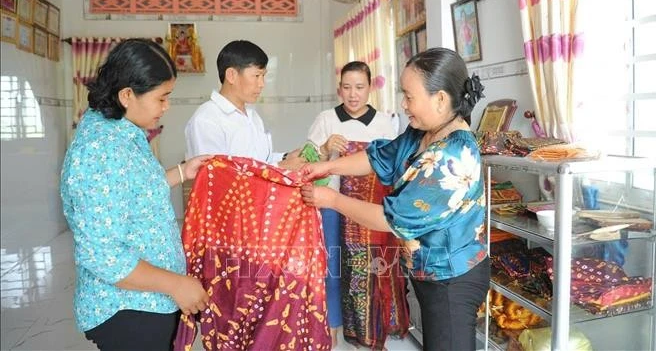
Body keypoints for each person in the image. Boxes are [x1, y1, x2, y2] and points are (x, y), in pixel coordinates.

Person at [300, 48, 489, 351]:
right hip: (429, 271)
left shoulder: (452, 157)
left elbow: (391, 219)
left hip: (452, 279)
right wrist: (328, 165)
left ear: (440, 99)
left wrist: (332, 199)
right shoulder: (423, 133)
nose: (403, 104)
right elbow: (379, 158)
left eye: (409, 96)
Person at [60, 38, 211, 351]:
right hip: (128, 308)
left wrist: (182, 171)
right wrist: (176, 284)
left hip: (149, 298)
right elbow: (103, 255)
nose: (166, 107)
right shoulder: (100, 150)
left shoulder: (122, 130)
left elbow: (132, 190)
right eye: (162, 98)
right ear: (127, 95)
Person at [306, 61, 408, 349]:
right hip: (331, 208)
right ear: (339, 89)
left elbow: (392, 168)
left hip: (370, 211)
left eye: (359, 87)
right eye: (347, 88)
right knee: (334, 269)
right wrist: (325, 149)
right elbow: (305, 162)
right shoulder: (326, 119)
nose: (353, 94)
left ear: (370, 88)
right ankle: (333, 328)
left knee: (375, 271)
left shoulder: (384, 123)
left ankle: (372, 330)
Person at [184, 39, 304, 169]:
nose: (262, 84)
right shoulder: (207, 120)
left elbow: (261, 161)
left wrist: (286, 157)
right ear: (231, 75)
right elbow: (219, 176)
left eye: (263, 76)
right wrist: (281, 166)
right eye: (257, 76)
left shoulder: (252, 115)